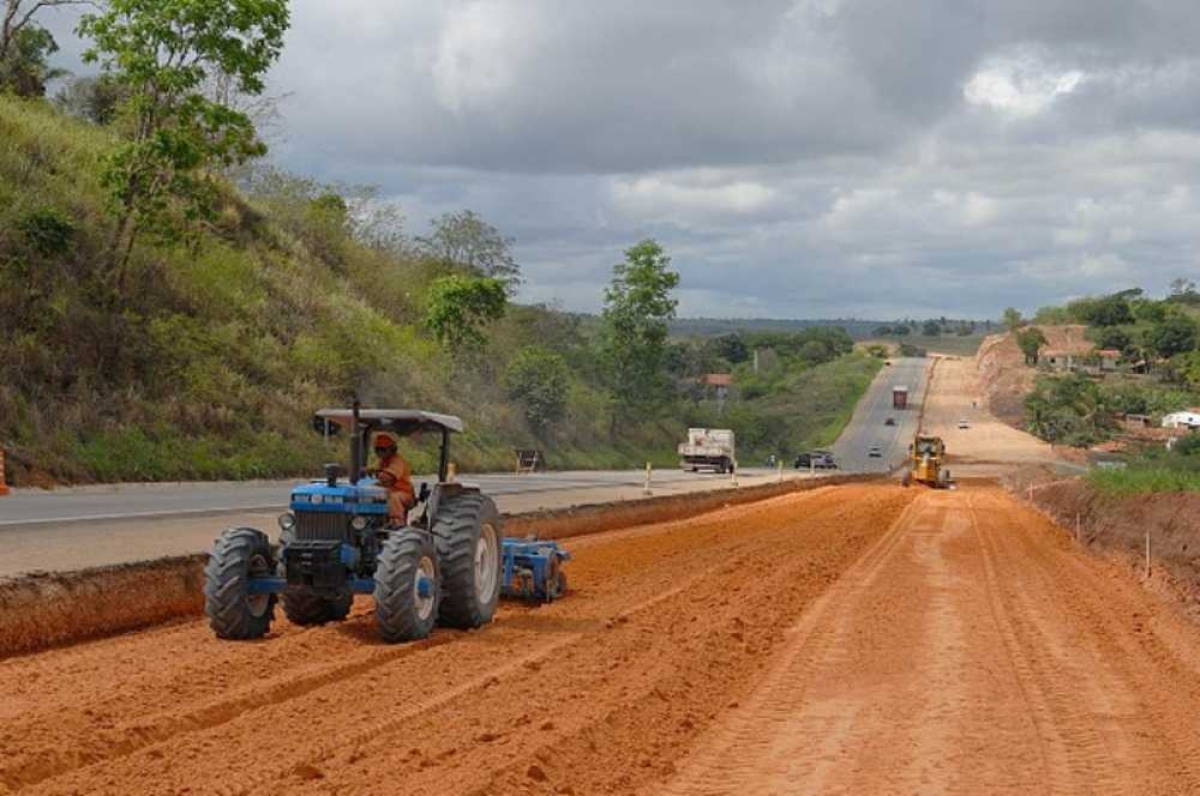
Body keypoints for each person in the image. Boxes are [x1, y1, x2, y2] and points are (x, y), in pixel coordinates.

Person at [368, 432, 415, 525]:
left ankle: (397, 523)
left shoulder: (397, 461)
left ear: (391, 449)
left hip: (404, 494)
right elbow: (375, 471)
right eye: (377, 449)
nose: (379, 452)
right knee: (369, 496)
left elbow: (387, 477)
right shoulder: (383, 461)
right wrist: (368, 471)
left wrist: (376, 474)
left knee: (393, 497)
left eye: (382, 449)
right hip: (388, 491)